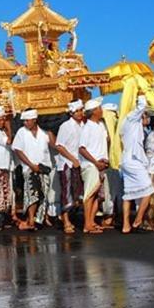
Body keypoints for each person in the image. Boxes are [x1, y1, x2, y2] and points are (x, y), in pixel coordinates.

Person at [12, 108, 54, 231]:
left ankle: (38, 219)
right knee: (32, 193)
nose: (25, 123)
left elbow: (54, 145)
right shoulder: (22, 132)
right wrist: (30, 165)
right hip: (29, 168)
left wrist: (51, 132)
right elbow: (18, 150)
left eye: (27, 121)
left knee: (43, 193)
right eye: (24, 121)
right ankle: (30, 219)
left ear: (34, 120)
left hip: (44, 167)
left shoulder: (44, 133)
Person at [119, 95, 154, 234]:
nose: (147, 118)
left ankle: (126, 225)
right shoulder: (131, 119)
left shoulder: (130, 124)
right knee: (148, 189)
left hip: (128, 160)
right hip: (132, 160)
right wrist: (141, 92)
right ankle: (138, 219)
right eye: (145, 115)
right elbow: (141, 106)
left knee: (128, 194)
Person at [79, 97, 110, 234]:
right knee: (90, 194)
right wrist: (95, 162)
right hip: (91, 165)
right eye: (99, 108)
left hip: (101, 163)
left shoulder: (100, 126)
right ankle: (87, 224)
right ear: (94, 112)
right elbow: (82, 149)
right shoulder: (87, 128)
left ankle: (91, 221)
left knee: (97, 195)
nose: (101, 110)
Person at [55, 99, 85, 234]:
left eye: (81, 110)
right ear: (71, 113)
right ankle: (66, 221)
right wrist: (72, 159)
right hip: (67, 163)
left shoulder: (84, 125)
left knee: (78, 192)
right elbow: (59, 146)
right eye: (77, 111)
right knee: (66, 192)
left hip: (80, 162)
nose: (80, 113)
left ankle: (73, 218)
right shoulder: (65, 126)